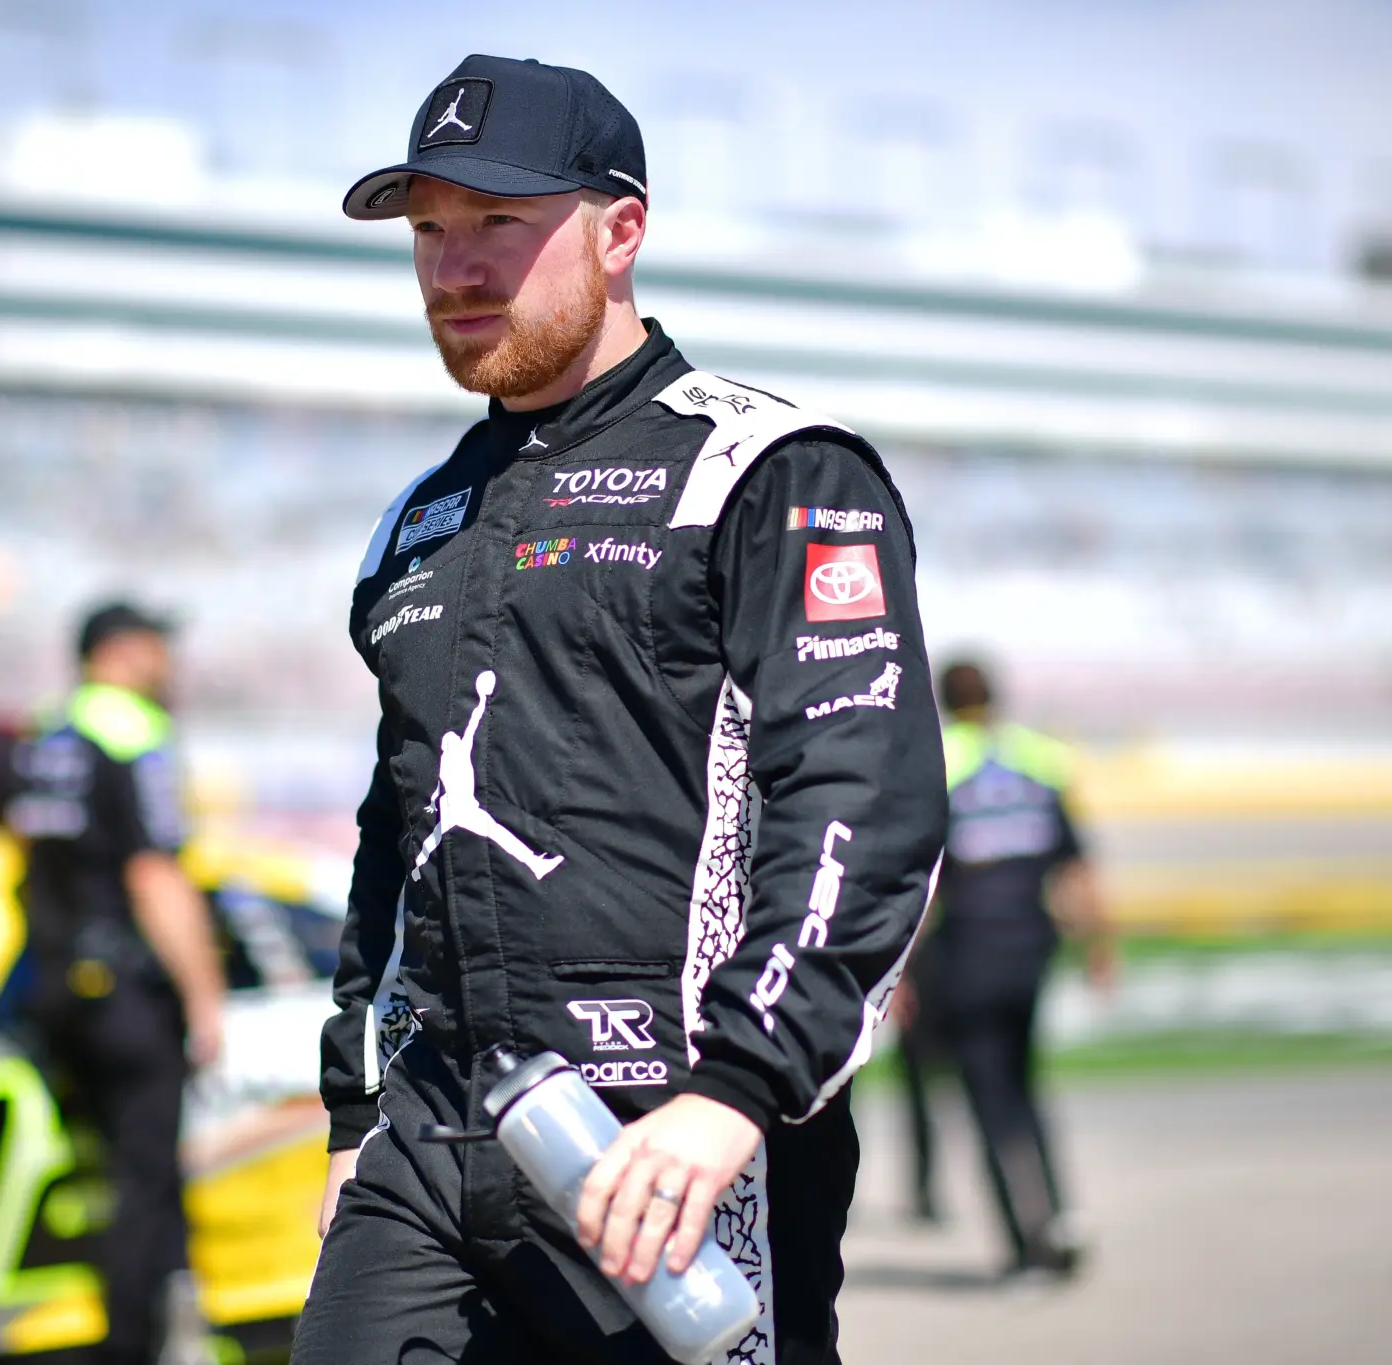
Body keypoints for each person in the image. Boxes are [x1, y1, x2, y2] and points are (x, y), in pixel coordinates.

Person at [294, 54, 949, 1365]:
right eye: (428, 232)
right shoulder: (420, 521)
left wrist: (737, 1093)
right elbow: (399, 837)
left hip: (670, 1126)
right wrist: (358, 1112)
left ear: (621, 231)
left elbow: (864, 805)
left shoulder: (769, 468)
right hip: (435, 1129)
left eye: (498, 225)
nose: (453, 268)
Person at [6, 601, 226, 1365]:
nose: (169, 664)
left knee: (105, 1177)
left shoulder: (46, 730)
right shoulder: (133, 731)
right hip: (129, 994)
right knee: (147, 1179)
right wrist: (204, 997)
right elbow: (156, 873)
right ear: (123, 651)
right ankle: (136, 1346)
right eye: (158, 648)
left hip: (53, 988)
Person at [895, 658, 1114, 1280]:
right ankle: (1061, 1214)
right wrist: (1100, 948)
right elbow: (1076, 867)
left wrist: (901, 973)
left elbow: (922, 884)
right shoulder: (1040, 758)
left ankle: (1027, 1248)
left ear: (943, 699)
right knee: (1026, 1087)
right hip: (1031, 950)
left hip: (965, 956)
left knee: (987, 1098)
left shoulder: (937, 762)